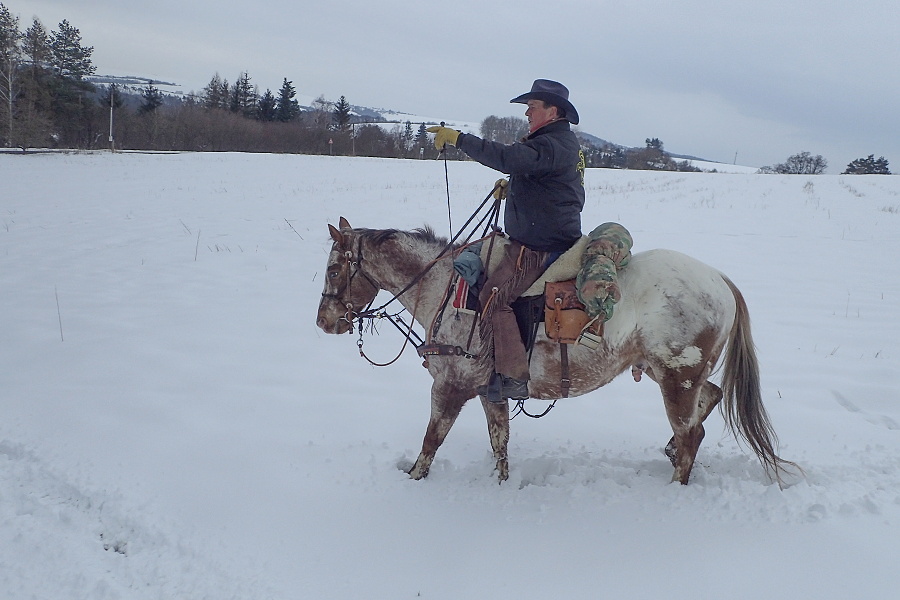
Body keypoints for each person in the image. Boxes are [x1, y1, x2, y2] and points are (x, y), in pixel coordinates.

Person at [427, 79, 585, 402]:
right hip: (541, 236)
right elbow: (546, 184)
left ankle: (513, 378)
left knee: (492, 295)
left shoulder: (549, 145)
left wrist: (459, 139)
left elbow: (508, 157)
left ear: (552, 111)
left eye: (533, 106)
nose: (527, 112)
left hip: (541, 247)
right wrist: (514, 188)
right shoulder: (555, 142)